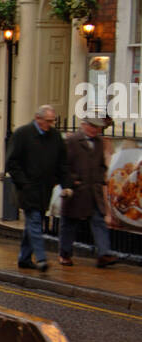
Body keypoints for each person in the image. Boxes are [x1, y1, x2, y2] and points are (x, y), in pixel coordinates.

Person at [5, 104, 72, 272]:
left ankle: (24, 258)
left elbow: (62, 164)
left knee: (34, 223)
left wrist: (66, 185)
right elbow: (11, 163)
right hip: (26, 189)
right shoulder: (22, 134)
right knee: (35, 222)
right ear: (38, 118)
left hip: (45, 189)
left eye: (52, 121)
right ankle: (41, 258)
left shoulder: (56, 137)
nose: (50, 125)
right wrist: (24, 183)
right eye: (47, 121)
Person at [59, 112, 119, 268]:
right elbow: (62, 166)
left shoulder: (99, 142)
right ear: (84, 125)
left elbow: (101, 165)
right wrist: (72, 181)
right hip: (76, 191)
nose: (95, 130)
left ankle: (104, 254)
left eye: (97, 127)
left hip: (93, 191)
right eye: (92, 126)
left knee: (99, 221)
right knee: (69, 223)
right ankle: (65, 254)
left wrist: (100, 179)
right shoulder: (71, 141)